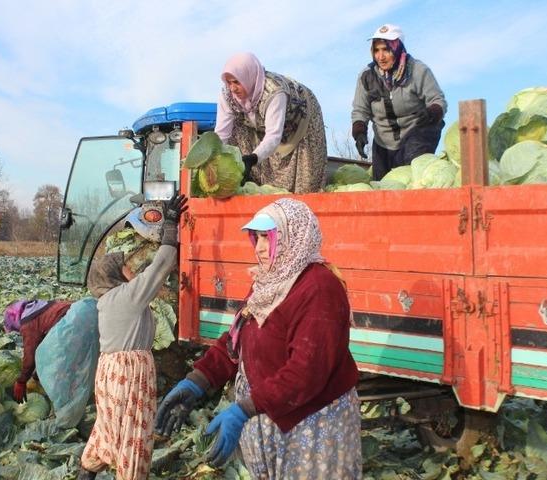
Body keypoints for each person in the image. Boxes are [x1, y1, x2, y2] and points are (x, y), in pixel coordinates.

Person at [156, 198, 361, 479]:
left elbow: (306, 372)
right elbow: (237, 341)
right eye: (257, 237)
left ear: (294, 237)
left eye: (268, 237)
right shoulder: (270, 282)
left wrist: (243, 410)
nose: (260, 247)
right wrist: (197, 382)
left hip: (312, 425)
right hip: (271, 414)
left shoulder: (318, 287)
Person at [78, 194, 188, 480]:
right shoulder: (127, 296)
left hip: (109, 374)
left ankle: (86, 471)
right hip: (130, 374)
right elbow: (160, 266)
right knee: (134, 434)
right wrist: (172, 227)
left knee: (109, 426)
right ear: (115, 275)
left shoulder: (106, 300)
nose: (130, 269)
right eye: (124, 267)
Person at [215, 52, 328, 194]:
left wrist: (252, 159)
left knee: (306, 183)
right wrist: (214, 161)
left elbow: (273, 136)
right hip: (262, 120)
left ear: (248, 77)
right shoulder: (227, 95)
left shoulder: (274, 92)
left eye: (237, 82)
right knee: (236, 127)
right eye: (229, 82)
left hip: (300, 117)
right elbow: (221, 133)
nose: (233, 88)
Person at [351, 23, 447, 180]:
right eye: (376, 50)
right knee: (383, 186)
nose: (380, 56)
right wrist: (359, 131)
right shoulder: (367, 76)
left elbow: (438, 100)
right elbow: (360, 109)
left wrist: (431, 112)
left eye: (386, 50)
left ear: (397, 48)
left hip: (416, 133)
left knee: (411, 181)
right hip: (384, 140)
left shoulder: (417, 70)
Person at [2, 299, 74, 402]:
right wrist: (37, 376)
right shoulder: (37, 308)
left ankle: (68, 404)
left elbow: (30, 356)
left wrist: (21, 381)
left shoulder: (29, 323)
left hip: (73, 327)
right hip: (81, 314)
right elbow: (44, 348)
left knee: (67, 368)